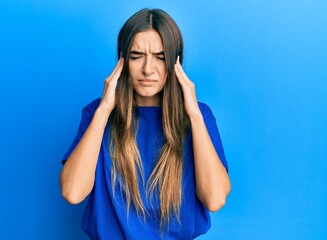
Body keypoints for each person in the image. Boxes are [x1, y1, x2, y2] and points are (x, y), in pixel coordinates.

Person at [59, 8, 230, 239]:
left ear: (175, 62)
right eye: (137, 55)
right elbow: (72, 192)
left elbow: (215, 198)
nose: (148, 69)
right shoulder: (97, 113)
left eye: (160, 57)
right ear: (122, 59)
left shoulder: (199, 116)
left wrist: (194, 116)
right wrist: (104, 110)